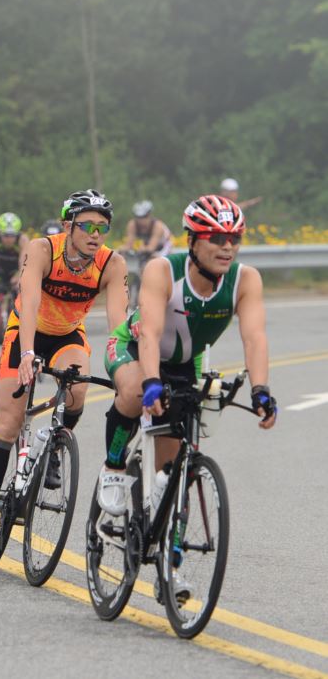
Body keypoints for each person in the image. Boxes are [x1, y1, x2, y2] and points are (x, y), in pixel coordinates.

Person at [99, 194, 277, 599]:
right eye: (215, 237)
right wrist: (149, 382)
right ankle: (112, 468)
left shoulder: (245, 280)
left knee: (173, 470)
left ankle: (169, 565)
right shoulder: (164, 270)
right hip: (133, 348)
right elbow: (148, 332)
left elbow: (255, 336)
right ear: (193, 241)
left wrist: (261, 390)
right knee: (130, 392)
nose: (227, 246)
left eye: (234, 237)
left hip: (183, 364)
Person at [0, 190, 129, 549]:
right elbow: (28, 301)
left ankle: (53, 445)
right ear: (67, 225)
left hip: (67, 335)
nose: (95, 234)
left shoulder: (111, 263)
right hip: (25, 331)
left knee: (77, 390)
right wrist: (27, 352)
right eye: (87, 226)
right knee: (10, 421)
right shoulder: (44, 250)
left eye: (102, 228)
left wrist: (125, 370)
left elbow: (118, 324)